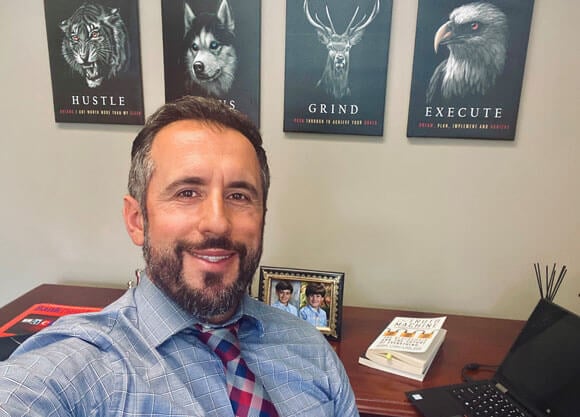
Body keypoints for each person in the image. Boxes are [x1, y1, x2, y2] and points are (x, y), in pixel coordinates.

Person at [0, 96, 358, 417]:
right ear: (137, 220)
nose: (217, 222)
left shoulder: (311, 351)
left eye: (239, 196)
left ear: (262, 216)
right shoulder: (81, 367)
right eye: (187, 192)